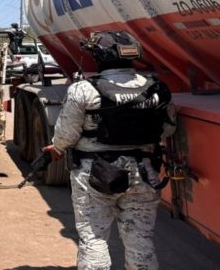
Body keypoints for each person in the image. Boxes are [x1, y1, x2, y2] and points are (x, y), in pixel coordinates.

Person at [42, 30, 176, 270]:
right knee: (141, 241)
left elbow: (66, 135)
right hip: (144, 174)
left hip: (95, 175)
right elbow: (168, 128)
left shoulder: (83, 90)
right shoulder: (157, 88)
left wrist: (58, 148)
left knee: (93, 239)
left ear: (99, 57)